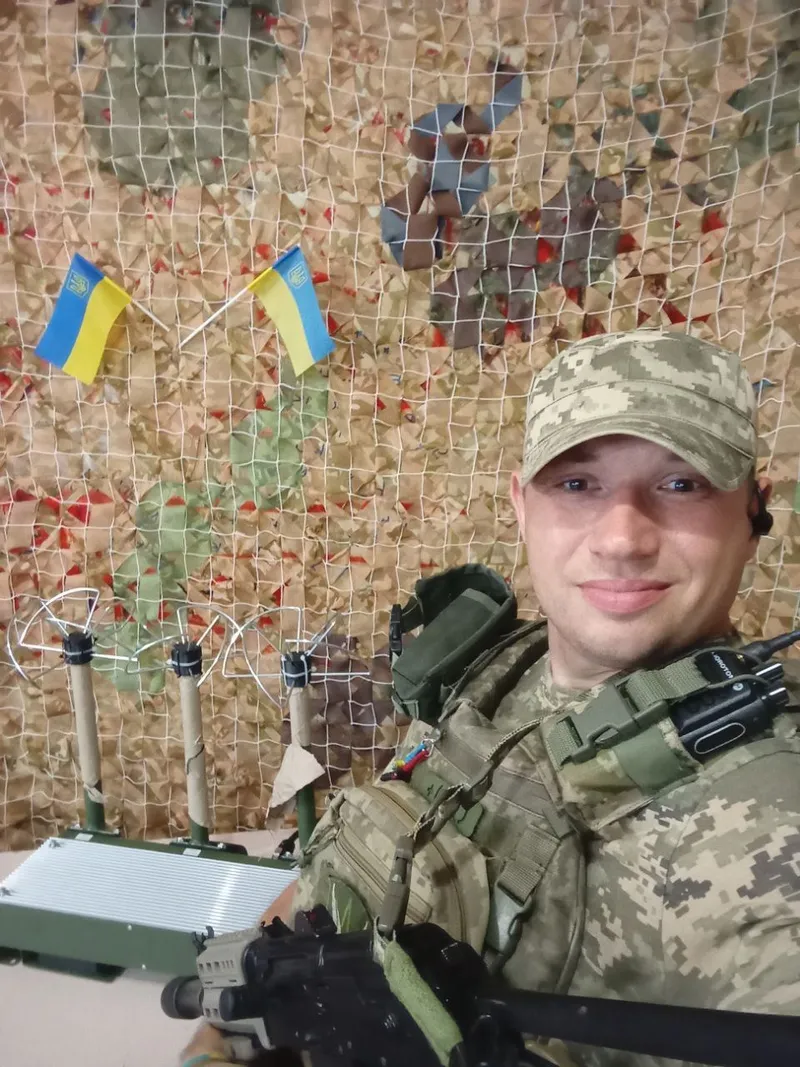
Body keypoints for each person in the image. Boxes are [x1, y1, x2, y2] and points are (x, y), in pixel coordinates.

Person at [179, 330, 800, 1067]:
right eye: (578, 484)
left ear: (754, 513)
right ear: (520, 505)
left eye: (681, 484)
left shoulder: (774, 820)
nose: (623, 537)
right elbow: (348, 866)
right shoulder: (495, 666)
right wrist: (217, 1036)